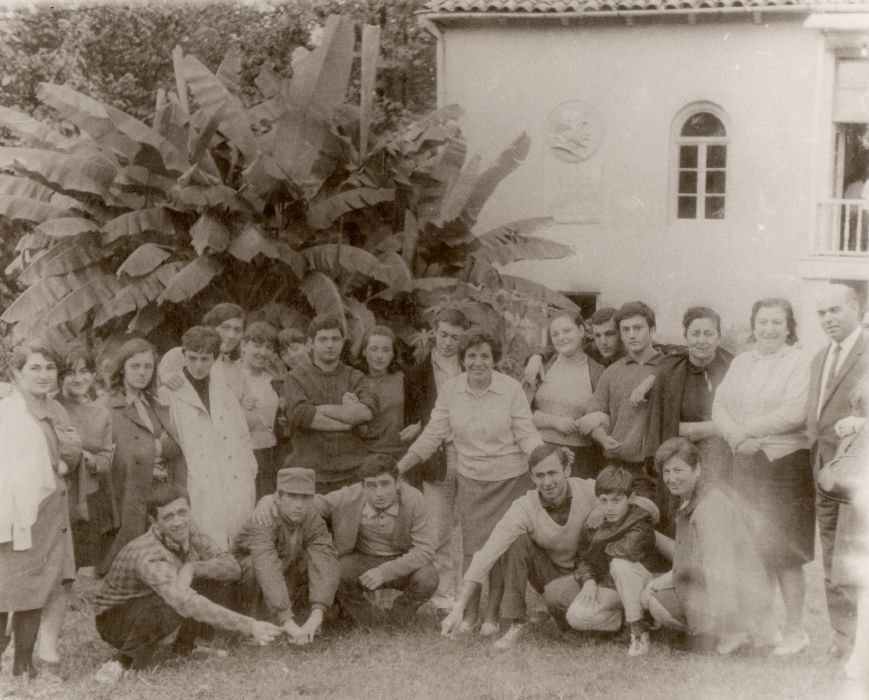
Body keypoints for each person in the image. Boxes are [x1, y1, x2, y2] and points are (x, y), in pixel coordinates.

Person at [398, 330, 544, 634]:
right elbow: (432, 434)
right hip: (472, 479)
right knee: (473, 547)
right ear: (463, 359)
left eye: (485, 356)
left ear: (494, 359)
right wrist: (400, 466)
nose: (478, 362)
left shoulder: (510, 388)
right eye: (472, 356)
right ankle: (470, 612)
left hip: (510, 478)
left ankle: (492, 614)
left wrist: (544, 460)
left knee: (502, 546)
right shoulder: (451, 390)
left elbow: (526, 433)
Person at [92, 484, 281, 683]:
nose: (178, 522)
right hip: (115, 620)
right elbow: (184, 602)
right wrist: (249, 625)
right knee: (175, 601)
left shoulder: (190, 530)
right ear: (154, 522)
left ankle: (185, 646)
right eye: (168, 517)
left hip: (150, 601)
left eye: (182, 512)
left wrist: (193, 568)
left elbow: (232, 568)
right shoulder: (149, 555)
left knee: (207, 579)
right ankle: (122, 661)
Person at [712, 297, 813, 656]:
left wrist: (747, 431)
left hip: (785, 467)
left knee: (785, 552)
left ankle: (796, 631)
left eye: (776, 322)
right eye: (763, 322)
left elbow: (794, 412)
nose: (768, 329)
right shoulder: (742, 362)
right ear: (753, 326)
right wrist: (735, 436)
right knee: (754, 549)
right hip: (746, 463)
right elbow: (720, 405)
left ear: (789, 327)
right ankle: (765, 628)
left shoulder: (800, 362)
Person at [440, 444, 598, 649]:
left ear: (566, 470)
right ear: (531, 477)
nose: (547, 482)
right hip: (550, 575)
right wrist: (459, 606)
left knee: (581, 622)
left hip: (590, 573)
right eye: (540, 475)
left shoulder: (589, 490)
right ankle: (515, 622)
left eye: (552, 473)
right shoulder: (524, 506)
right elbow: (487, 554)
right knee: (516, 542)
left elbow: (632, 501)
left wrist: (601, 509)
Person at [641, 438, 768, 655]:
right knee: (654, 592)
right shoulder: (692, 498)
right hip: (717, 585)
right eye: (667, 472)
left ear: (697, 469)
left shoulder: (710, 507)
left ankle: (730, 633)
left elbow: (718, 565)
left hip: (738, 595)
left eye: (678, 470)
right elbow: (689, 558)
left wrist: (729, 624)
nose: (671, 478)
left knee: (657, 601)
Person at [0, 344, 82, 679]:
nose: (44, 375)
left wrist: (64, 461)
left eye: (50, 367)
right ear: (16, 373)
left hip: (50, 509)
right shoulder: (9, 410)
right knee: (6, 584)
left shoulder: (56, 409)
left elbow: (72, 450)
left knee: (37, 585)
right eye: (35, 368)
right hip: (15, 509)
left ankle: (24, 665)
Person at [36, 348, 114, 664]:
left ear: (94, 375)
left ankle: (48, 643)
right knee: (41, 567)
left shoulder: (101, 413)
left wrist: (87, 459)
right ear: (60, 377)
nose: (78, 379)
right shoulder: (50, 408)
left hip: (84, 502)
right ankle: (20, 631)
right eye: (70, 372)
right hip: (51, 497)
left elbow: (106, 458)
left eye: (84, 371)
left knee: (68, 572)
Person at [805, 284, 867, 658]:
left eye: (835, 310)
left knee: (858, 555)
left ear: (855, 309)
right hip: (826, 473)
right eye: (821, 313)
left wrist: (860, 425)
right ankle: (843, 638)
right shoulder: (819, 358)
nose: (827, 319)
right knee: (831, 553)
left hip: (860, 473)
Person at [160, 326, 257, 547]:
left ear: (214, 358)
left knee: (239, 540)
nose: (198, 365)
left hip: (235, 476)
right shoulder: (169, 393)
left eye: (205, 359)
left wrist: (249, 468)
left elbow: (241, 433)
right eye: (192, 358)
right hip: (197, 478)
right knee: (205, 541)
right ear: (183, 355)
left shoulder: (223, 387)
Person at [316, 454, 436, 626]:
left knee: (428, 577)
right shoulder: (351, 495)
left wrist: (385, 571)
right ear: (362, 486)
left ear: (397, 483)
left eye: (385, 484)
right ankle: (369, 620)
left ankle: (399, 617)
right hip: (363, 559)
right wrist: (276, 504)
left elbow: (424, 550)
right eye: (371, 485)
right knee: (337, 571)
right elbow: (316, 503)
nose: (379, 493)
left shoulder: (414, 499)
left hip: (401, 560)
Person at [402, 308, 470, 611]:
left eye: (455, 337)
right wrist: (419, 426)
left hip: (471, 454)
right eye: (443, 335)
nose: (448, 342)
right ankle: (443, 596)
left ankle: (469, 594)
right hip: (436, 455)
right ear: (434, 332)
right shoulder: (416, 373)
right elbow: (411, 418)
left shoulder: (471, 366)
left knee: (473, 528)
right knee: (438, 528)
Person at [647, 307, 733, 534]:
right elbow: (663, 421)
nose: (701, 340)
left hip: (723, 459)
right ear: (685, 335)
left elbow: (742, 419)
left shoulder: (733, 368)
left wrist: (706, 428)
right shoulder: (670, 370)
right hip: (680, 459)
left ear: (718, 337)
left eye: (708, 333)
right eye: (695, 333)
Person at [102, 339, 185, 573]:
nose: (142, 372)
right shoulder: (107, 407)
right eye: (135, 366)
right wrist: (156, 447)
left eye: (148, 366)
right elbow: (123, 454)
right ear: (122, 368)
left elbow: (177, 445)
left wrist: (156, 448)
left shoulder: (154, 404)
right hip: (129, 494)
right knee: (130, 563)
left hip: (161, 491)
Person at [233, 468, 340, 645]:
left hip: (282, 570)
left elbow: (325, 559)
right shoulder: (263, 519)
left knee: (315, 560)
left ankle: (306, 621)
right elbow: (267, 568)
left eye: (305, 497)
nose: (299, 504)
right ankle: (252, 625)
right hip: (248, 579)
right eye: (292, 496)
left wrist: (318, 612)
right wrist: (286, 620)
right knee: (254, 566)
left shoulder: (312, 517)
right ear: (278, 497)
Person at [565, 466, 660, 657]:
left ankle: (639, 632)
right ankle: (630, 618)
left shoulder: (641, 520)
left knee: (619, 564)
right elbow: (582, 559)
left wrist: (597, 539)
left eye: (616, 500)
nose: (609, 507)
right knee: (575, 615)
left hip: (643, 583)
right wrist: (589, 580)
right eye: (604, 501)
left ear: (630, 498)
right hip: (611, 584)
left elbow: (622, 552)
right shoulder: (597, 522)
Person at [282, 313, 377, 493]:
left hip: (353, 474)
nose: (330, 345)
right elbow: (303, 415)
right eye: (323, 339)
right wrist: (347, 421)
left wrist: (318, 409)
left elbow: (366, 411)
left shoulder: (355, 376)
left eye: (335, 339)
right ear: (310, 344)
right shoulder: (295, 378)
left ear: (342, 342)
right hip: (311, 475)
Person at [584, 301, 666, 500]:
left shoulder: (670, 367)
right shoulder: (611, 372)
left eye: (638, 328)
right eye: (626, 330)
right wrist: (603, 438)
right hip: (617, 467)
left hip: (658, 469)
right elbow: (592, 417)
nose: (632, 335)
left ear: (652, 330)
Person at [525, 311, 605, 479]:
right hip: (540, 452)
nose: (561, 338)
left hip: (580, 458)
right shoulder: (541, 365)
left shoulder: (598, 372)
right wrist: (554, 422)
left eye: (567, 331)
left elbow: (605, 416)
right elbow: (519, 412)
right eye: (555, 334)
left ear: (581, 331)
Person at [521, 306, 623, 389]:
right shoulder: (592, 349)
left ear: (621, 332)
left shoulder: (629, 356)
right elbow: (563, 348)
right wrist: (538, 356)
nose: (603, 342)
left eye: (609, 334)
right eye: (597, 335)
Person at [158, 303, 247, 398]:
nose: (231, 336)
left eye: (237, 330)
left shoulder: (237, 369)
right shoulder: (177, 355)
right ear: (211, 326)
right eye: (225, 327)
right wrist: (165, 377)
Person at [240, 321, 281, 500]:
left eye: (268, 347)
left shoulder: (273, 379)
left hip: (270, 453)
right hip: (244, 453)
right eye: (257, 346)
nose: (263, 352)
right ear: (243, 345)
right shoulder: (233, 376)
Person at [356, 326, 406, 460]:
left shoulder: (404, 378)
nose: (379, 356)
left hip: (401, 452)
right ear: (364, 351)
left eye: (386, 350)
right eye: (374, 349)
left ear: (393, 353)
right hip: (365, 454)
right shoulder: (354, 380)